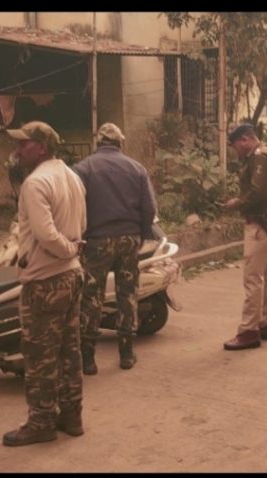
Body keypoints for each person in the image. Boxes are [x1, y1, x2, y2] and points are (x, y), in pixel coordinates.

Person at [2, 121, 87, 447]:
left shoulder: (35, 183)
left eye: (24, 144)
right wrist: (73, 250)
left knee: (40, 356)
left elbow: (46, 234)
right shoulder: (71, 176)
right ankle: (72, 416)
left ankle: (41, 423)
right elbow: (81, 224)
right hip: (71, 275)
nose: (18, 150)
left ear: (40, 147)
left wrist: (67, 249)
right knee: (69, 350)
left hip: (45, 279)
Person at [72, 123, 157, 374]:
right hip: (129, 240)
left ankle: (88, 359)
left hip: (96, 242)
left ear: (98, 142)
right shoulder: (137, 168)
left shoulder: (83, 168)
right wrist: (142, 235)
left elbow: (75, 206)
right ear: (120, 143)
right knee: (127, 294)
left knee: (91, 296)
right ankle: (126, 353)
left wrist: (80, 236)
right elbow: (149, 208)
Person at [220, 123, 267, 351]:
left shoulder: (259, 157)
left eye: (235, 146)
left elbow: (258, 192)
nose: (235, 151)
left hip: (261, 224)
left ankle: (249, 331)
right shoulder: (264, 153)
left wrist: (237, 203)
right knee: (264, 274)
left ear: (245, 139)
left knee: (252, 277)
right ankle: (262, 323)